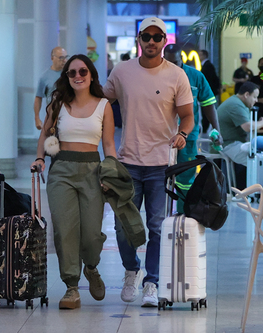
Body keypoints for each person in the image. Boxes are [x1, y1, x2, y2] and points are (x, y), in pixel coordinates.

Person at [103, 17, 194, 307]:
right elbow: (101, 105)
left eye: (157, 37)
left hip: (160, 164)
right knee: (122, 226)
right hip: (128, 161)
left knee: (156, 226)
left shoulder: (177, 75)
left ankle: (151, 281)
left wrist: (182, 133)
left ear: (165, 40)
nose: (151, 42)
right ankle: (132, 270)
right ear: (138, 39)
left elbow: (188, 116)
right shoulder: (122, 72)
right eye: (146, 36)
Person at [31, 54, 117, 309]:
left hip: (93, 169)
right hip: (62, 171)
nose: (77, 76)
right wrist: (39, 158)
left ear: (91, 75)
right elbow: (44, 135)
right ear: (66, 78)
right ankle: (71, 287)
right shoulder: (58, 102)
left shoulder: (104, 105)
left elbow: (109, 144)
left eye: (82, 72)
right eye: (72, 73)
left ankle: (91, 267)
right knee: (64, 230)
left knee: (91, 233)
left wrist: (110, 173)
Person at [163, 44, 223, 210]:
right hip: (162, 137)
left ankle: (184, 213)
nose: (172, 67)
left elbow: (208, 104)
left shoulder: (195, 77)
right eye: (168, 62)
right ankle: (162, 220)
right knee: (159, 177)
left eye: (175, 62)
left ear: (181, 59)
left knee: (186, 178)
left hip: (187, 136)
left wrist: (216, 129)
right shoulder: (158, 75)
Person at [217, 81, 263, 180]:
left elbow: (250, 124)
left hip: (231, 142)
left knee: (262, 154)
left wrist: (259, 123)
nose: (256, 100)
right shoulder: (236, 105)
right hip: (228, 145)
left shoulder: (237, 102)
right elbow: (248, 126)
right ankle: (255, 192)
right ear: (246, 95)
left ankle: (258, 191)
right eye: (254, 97)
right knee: (259, 159)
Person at [34, 46, 68, 130]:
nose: (64, 60)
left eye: (66, 57)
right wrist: (37, 118)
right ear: (52, 58)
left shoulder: (70, 74)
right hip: (53, 114)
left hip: (69, 114)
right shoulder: (44, 77)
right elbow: (38, 98)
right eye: (61, 57)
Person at [198, 49, 221, 132]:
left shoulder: (208, 66)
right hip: (208, 91)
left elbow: (211, 79)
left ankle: (205, 128)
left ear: (205, 55)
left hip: (208, 92)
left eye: (200, 54)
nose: (199, 56)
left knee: (207, 109)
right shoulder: (206, 65)